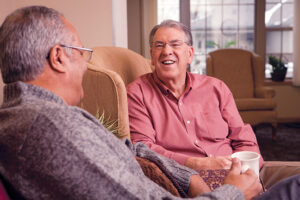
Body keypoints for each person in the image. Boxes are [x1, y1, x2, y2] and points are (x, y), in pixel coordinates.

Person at [0, 6, 299, 200]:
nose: (86, 66)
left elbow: (134, 150)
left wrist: (189, 178)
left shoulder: (36, 117)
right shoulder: (52, 126)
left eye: (175, 44)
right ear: (58, 57)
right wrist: (232, 191)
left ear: (190, 53)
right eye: (81, 52)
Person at [127, 19, 264, 170]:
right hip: (182, 178)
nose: (166, 51)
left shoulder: (216, 88)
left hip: (233, 171)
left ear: (190, 54)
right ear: (152, 55)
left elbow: (244, 140)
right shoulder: (136, 93)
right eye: (159, 45)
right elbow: (143, 148)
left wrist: (244, 169)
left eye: (175, 44)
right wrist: (196, 163)